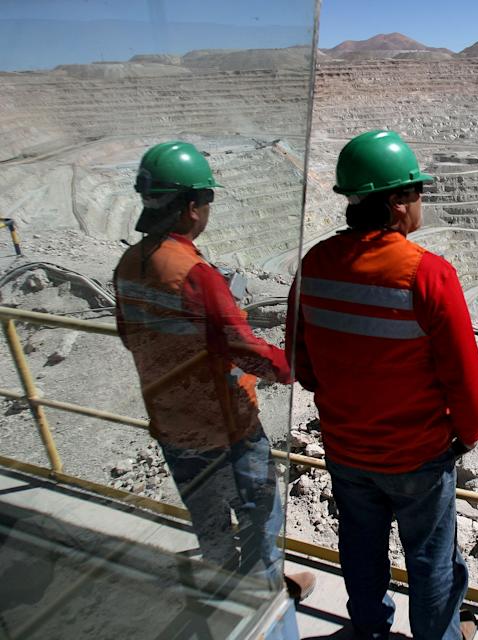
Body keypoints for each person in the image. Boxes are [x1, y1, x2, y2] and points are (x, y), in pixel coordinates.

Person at [286, 130, 478, 640]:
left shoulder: (314, 265)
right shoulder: (428, 274)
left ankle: (371, 630)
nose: (421, 202)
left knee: (361, 547)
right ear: (397, 203)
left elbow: (301, 362)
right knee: (431, 560)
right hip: (417, 454)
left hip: (346, 447)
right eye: (416, 192)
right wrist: (465, 434)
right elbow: (464, 377)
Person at [114, 140, 315, 607]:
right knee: (261, 516)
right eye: (207, 200)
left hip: (172, 424)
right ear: (189, 208)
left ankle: (222, 599)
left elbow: (130, 336)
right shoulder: (193, 272)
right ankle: (261, 607)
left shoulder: (128, 265)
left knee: (209, 524)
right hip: (226, 430)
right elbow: (243, 346)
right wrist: (291, 367)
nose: (208, 210)